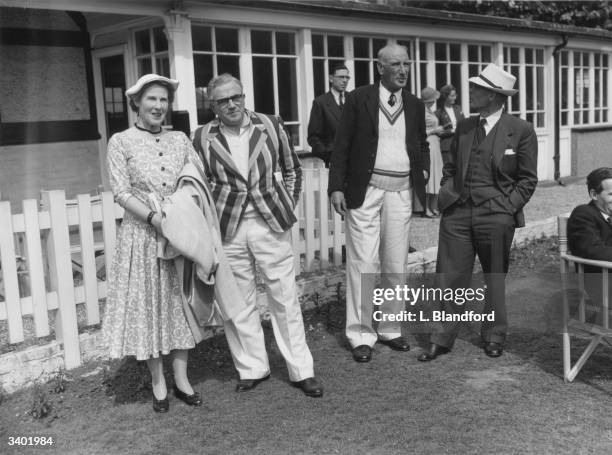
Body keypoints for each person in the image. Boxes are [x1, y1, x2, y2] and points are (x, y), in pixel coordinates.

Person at [192, 74, 323, 398]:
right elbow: (199, 184)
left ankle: (301, 370)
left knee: (284, 296)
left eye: (236, 96)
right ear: (214, 106)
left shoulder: (270, 124)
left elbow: (293, 170)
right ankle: (252, 367)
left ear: (244, 96)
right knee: (239, 302)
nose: (232, 104)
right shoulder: (201, 137)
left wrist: (286, 205)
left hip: (269, 224)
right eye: (223, 101)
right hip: (228, 228)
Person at [418, 63, 538, 361]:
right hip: (457, 213)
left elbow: (527, 179)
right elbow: (451, 167)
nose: (470, 92)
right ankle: (442, 338)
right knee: (450, 275)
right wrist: (448, 192)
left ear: (495, 96)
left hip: (497, 215)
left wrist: (507, 207)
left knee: (494, 277)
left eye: (477, 89)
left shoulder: (520, 130)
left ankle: (494, 334)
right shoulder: (465, 125)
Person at [103, 74, 204, 412]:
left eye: (163, 100)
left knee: (179, 305)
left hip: (178, 233)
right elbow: (121, 191)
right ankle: (158, 382)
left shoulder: (180, 139)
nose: (159, 106)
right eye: (152, 100)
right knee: (149, 308)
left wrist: (180, 214)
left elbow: (196, 178)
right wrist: (154, 218)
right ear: (136, 103)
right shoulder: (121, 141)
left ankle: (182, 378)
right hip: (143, 236)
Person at [328, 43, 430, 363]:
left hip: (400, 191)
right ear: (380, 67)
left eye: (407, 64)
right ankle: (360, 334)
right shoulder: (359, 99)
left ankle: (389, 327)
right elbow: (341, 144)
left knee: (395, 262)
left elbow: (421, 142)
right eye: (396, 64)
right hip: (365, 190)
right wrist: (336, 187)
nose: (403, 70)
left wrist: (423, 170)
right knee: (363, 262)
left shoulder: (414, 104)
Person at [567, 167, 612, 322]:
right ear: (594, 194)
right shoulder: (583, 214)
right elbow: (593, 250)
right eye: (611, 194)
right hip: (603, 285)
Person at [307, 63, 351, 167]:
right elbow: (313, 137)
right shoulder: (320, 103)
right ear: (331, 79)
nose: (345, 80)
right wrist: (328, 156)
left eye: (347, 77)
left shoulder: (353, 99)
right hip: (333, 163)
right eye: (341, 77)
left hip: (355, 162)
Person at [421, 87, 446, 217]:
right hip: (428, 143)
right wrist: (434, 131)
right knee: (429, 175)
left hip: (435, 143)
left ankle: (433, 206)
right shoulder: (421, 112)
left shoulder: (429, 111)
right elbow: (418, 132)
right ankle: (426, 208)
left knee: (436, 174)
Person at [436, 84, 465, 166]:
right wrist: (452, 131)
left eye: (455, 95)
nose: (455, 97)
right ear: (445, 96)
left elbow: (464, 123)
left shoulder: (458, 109)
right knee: (448, 172)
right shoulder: (438, 113)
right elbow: (439, 132)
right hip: (447, 147)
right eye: (452, 95)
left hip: (459, 145)